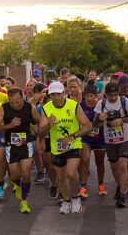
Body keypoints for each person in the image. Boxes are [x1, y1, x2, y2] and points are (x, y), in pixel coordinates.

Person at [38, 81, 92, 215]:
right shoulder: (46, 108)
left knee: (71, 173)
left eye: (58, 94)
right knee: (60, 177)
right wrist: (48, 125)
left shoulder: (73, 105)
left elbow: (87, 126)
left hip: (73, 144)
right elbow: (40, 132)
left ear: (64, 93)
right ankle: (66, 200)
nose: (56, 97)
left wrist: (72, 136)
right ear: (49, 95)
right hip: (57, 147)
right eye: (53, 95)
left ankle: (75, 198)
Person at [0, 88, 39, 214]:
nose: (15, 105)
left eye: (17, 102)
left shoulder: (30, 107)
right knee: (15, 175)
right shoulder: (4, 108)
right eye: (12, 102)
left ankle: (24, 201)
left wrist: (40, 138)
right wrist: (9, 125)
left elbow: (38, 123)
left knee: (26, 173)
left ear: (22, 97)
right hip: (10, 146)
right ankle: (16, 183)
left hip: (26, 144)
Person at [95, 82, 128, 207]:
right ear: (106, 95)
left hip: (125, 138)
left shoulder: (125, 101)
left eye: (115, 95)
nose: (113, 98)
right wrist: (99, 119)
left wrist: (122, 120)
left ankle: (122, 195)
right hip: (110, 140)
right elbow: (95, 124)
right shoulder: (101, 104)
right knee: (114, 166)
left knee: (123, 164)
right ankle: (120, 186)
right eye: (110, 96)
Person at [79, 84, 107, 197]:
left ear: (96, 96)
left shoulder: (101, 105)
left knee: (99, 162)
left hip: (99, 137)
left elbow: (105, 121)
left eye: (92, 96)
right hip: (86, 137)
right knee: (85, 160)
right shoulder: (80, 106)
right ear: (84, 96)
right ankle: (83, 186)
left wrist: (98, 124)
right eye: (87, 96)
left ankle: (101, 185)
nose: (89, 98)